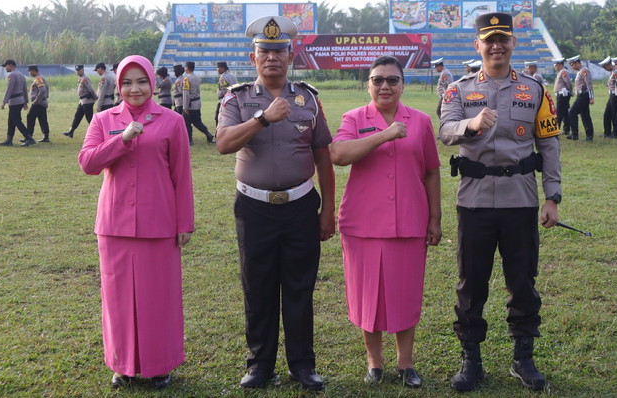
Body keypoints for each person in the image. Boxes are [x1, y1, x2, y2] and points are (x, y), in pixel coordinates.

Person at [440, 12, 561, 392]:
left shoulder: (536, 90)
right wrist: (469, 126)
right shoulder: (458, 90)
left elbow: (549, 144)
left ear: (512, 44)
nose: (496, 46)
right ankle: (471, 360)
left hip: (521, 200)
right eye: (488, 40)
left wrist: (552, 197)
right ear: (477, 45)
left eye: (502, 39)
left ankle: (523, 358)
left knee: (522, 281)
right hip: (474, 202)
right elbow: (445, 130)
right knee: (471, 283)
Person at [216, 15, 335, 391]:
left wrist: (328, 208)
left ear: (290, 55)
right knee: (258, 286)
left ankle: (303, 364)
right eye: (264, 51)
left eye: (278, 51)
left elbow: (323, 156)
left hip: (301, 206)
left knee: (300, 287)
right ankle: (259, 364)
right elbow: (223, 143)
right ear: (253, 58)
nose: (271, 58)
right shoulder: (236, 98)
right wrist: (263, 118)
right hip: (254, 209)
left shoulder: (309, 99)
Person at [78, 55, 194, 390]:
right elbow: (87, 162)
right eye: (126, 82)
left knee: (158, 297)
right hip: (114, 225)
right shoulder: (103, 120)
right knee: (118, 300)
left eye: (141, 81)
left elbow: (181, 175)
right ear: (118, 86)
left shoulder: (171, 121)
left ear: (152, 84)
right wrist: (123, 139)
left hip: (159, 224)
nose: (134, 89)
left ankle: (159, 365)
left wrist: (184, 222)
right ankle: (122, 366)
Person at [330, 56, 442, 388]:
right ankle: (374, 363)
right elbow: (338, 155)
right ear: (368, 85)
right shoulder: (354, 118)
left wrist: (435, 218)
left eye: (392, 80)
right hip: (362, 226)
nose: (385, 86)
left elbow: (432, 171)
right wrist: (385, 135)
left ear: (403, 85)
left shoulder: (420, 121)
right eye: (377, 80)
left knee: (404, 295)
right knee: (369, 297)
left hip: (409, 222)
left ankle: (406, 364)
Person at [0, 59, 34, 147]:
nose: (5, 68)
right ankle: (9, 139)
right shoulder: (21, 75)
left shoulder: (12, 75)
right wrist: (25, 102)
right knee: (11, 120)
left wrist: (4, 102)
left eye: (6, 66)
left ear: (10, 65)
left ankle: (29, 138)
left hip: (14, 101)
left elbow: (9, 90)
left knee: (16, 121)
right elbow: (24, 90)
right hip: (20, 101)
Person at [182, 61, 214, 145]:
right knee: (197, 121)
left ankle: (189, 139)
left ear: (187, 68)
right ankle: (208, 134)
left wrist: (185, 106)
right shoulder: (196, 77)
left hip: (190, 104)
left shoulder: (186, 79)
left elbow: (186, 93)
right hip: (197, 102)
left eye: (185, 67)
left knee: (186, 122)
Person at [63, 64, 97, 138]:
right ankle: (71, 131)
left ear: (83, 70)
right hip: (82, 101)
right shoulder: (80, 78)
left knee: (89, 118)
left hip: (87, 101)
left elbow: (91, 89)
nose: (78, 72)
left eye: (79, 70)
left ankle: (97, 132)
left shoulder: (85, 78)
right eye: (77, 71)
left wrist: (95, 97)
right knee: (77, 116)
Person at [567, 55, 594, 141]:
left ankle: (575, 134)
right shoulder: (580, 71)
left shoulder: (584, 71)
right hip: (581, 95)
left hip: (584, 96)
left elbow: (589, 85)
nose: (572, 67)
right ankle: (589, 136)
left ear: (577, 63)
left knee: (572, 112)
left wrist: (591, 97)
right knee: (585, 116)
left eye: (573, 65)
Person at [26, 65, 50, 143]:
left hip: (38, 103)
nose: (29, 73)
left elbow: (42, 90)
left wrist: (36, 100)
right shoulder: (41, 77)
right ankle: (46, 136)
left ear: (33, 71)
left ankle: (29, 136)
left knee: (30, 117)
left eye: (29, 71)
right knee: (42, 119)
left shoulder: (38, 78)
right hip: (42, 102)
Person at [598, 56, 617, 138]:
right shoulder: (612, 72)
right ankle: (607, 133)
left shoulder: (616, 72)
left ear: (609, 65)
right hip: (611, 95)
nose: (605, 69)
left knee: (614, 115)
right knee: (607, 114)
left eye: (605, 67)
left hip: (615, 95)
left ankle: (615, 133)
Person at [552, 58, 572, 136]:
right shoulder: (561, 72)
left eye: (556, 65)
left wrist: (570, 90)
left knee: (559, 113)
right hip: (562, 95)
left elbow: (568, 82)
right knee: (565, 113)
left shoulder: (563, 71)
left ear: (560, 65)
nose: (555, 67)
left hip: (563, 95)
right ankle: (566, 129)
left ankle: (556, 130)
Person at [215, 61, 238, 127]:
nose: (217, 69)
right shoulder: (232, 76)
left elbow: (224, 90)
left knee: (218, 118)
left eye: (218, 67)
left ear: (223, 68)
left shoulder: (222, 77)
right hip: (233, 98)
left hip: (224, 100)